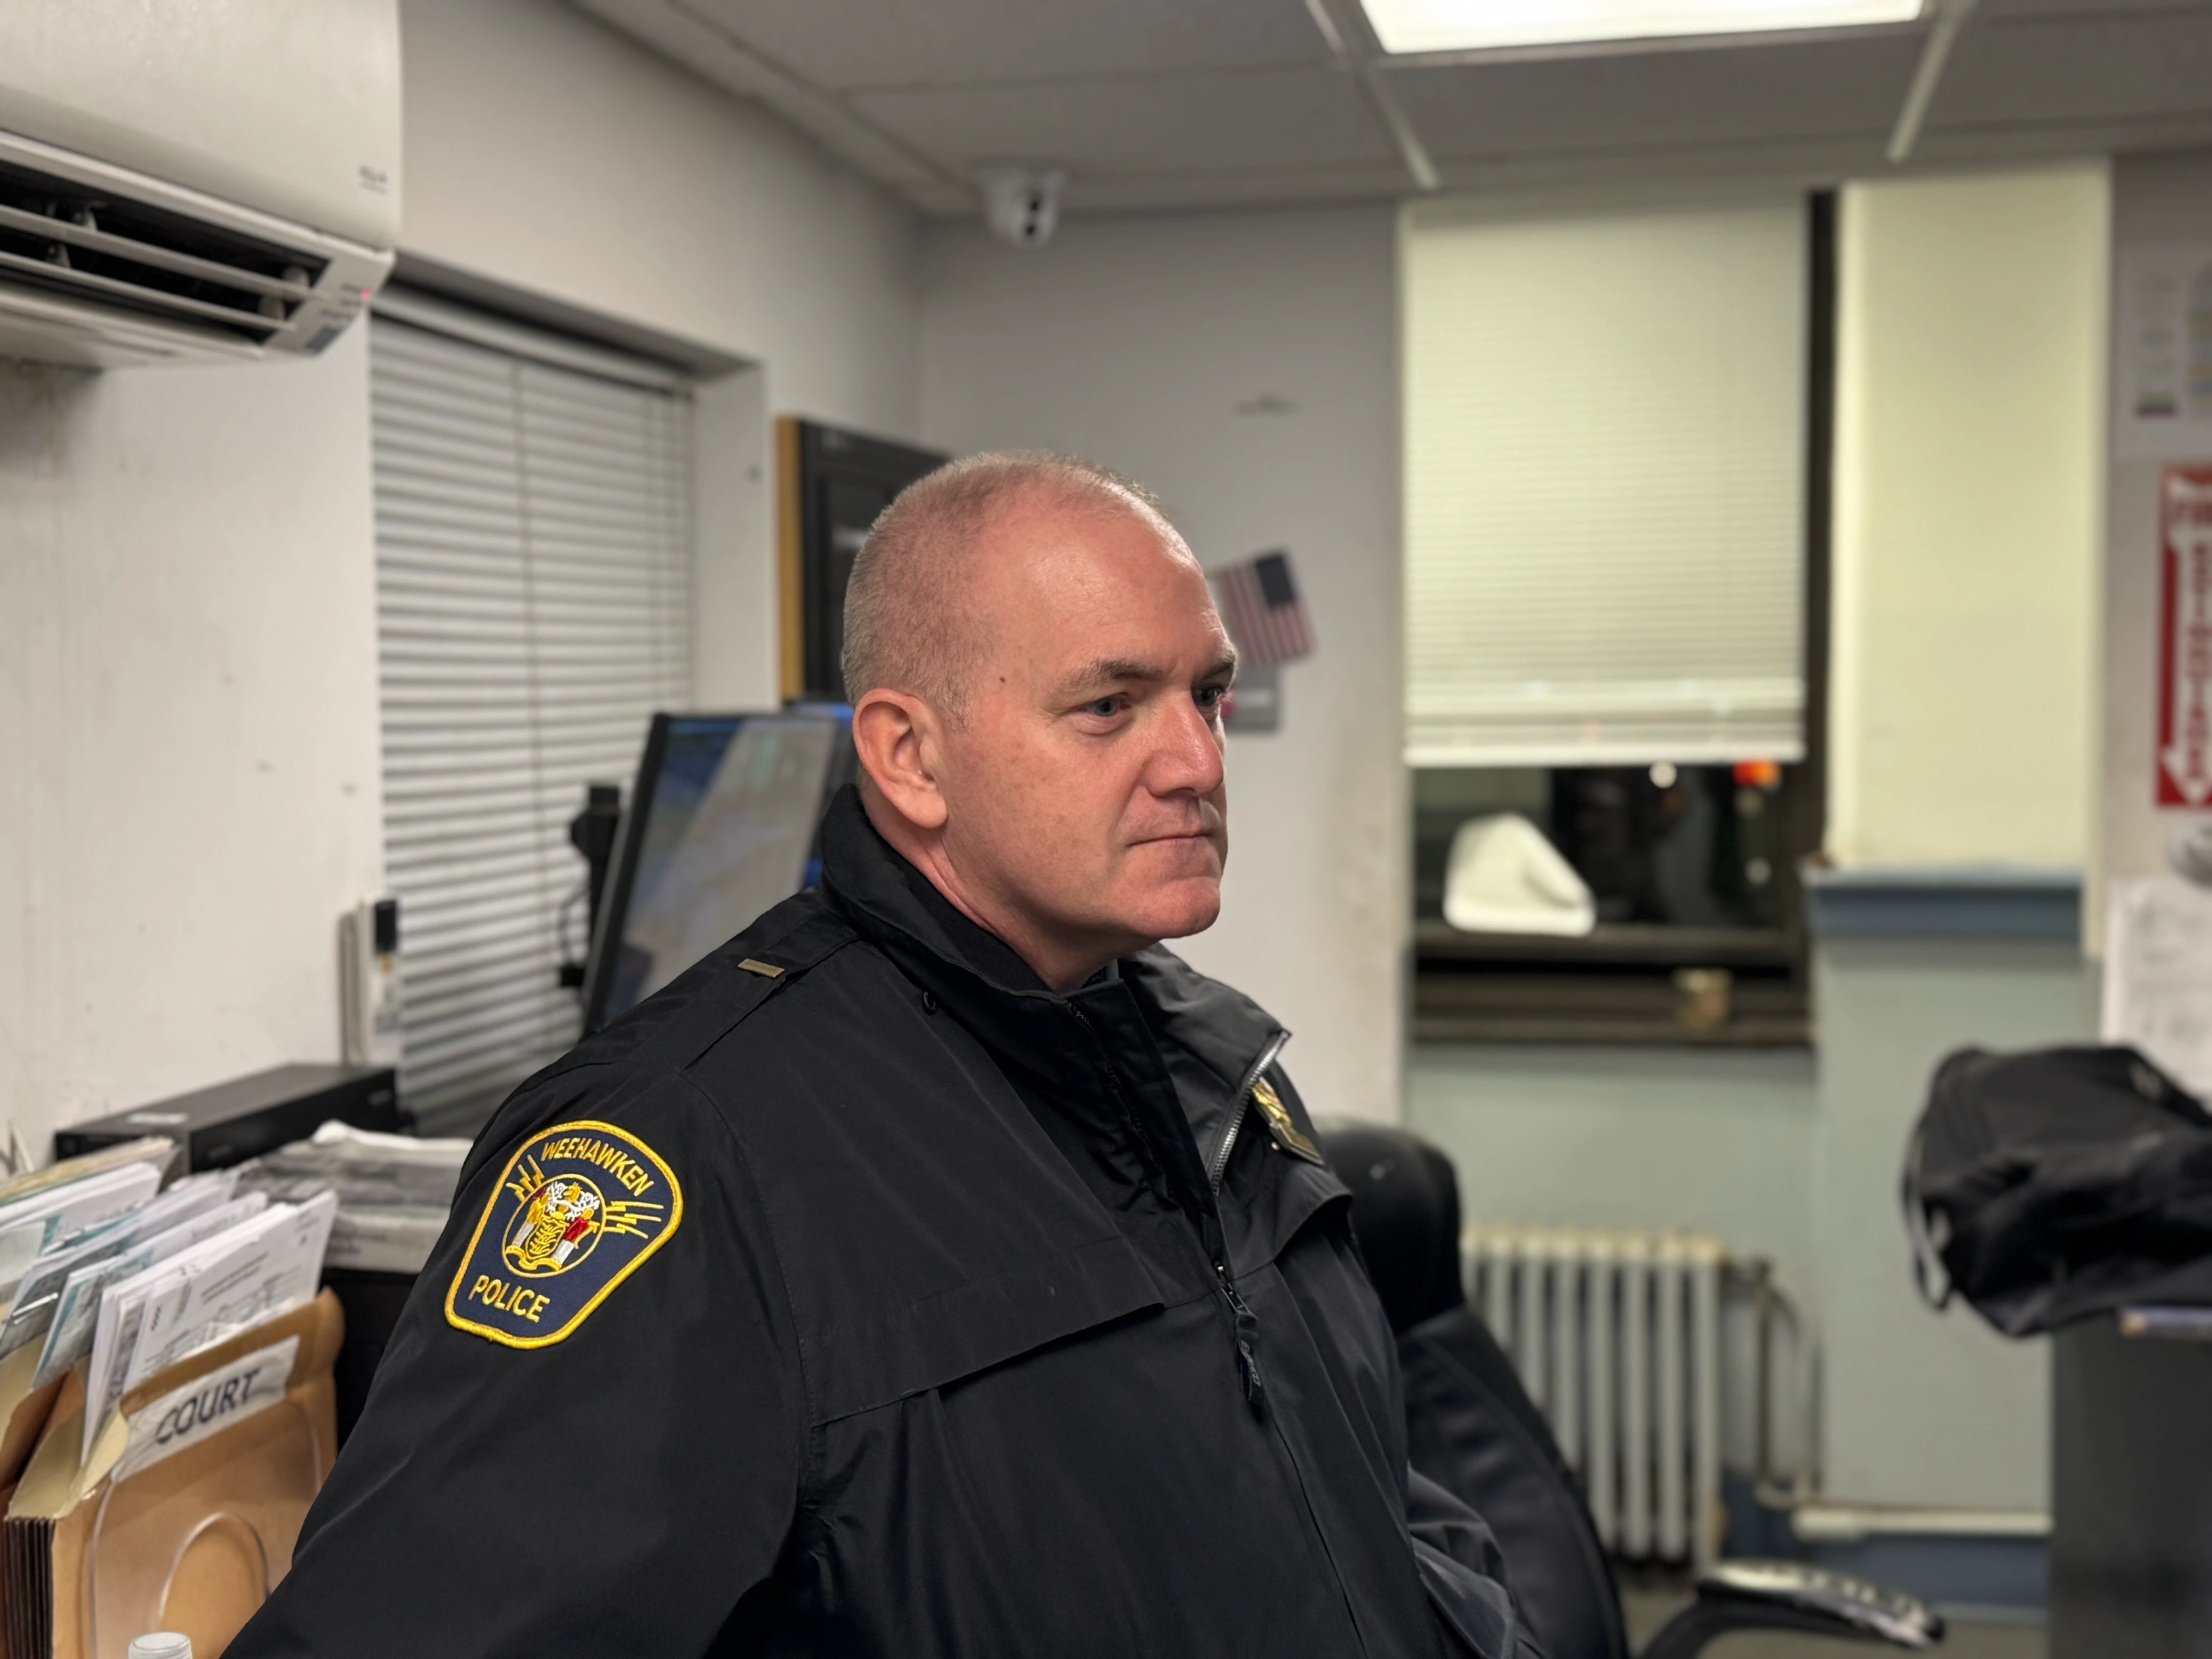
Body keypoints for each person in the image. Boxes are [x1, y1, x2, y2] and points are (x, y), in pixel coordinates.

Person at [230, 453, 1542, 1658]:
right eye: (1108, 705)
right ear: (909, 756)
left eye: (1206, 692)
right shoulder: (688, 1143)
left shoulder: (1212, 1059)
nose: (1196, 760)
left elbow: (1344, 1487)